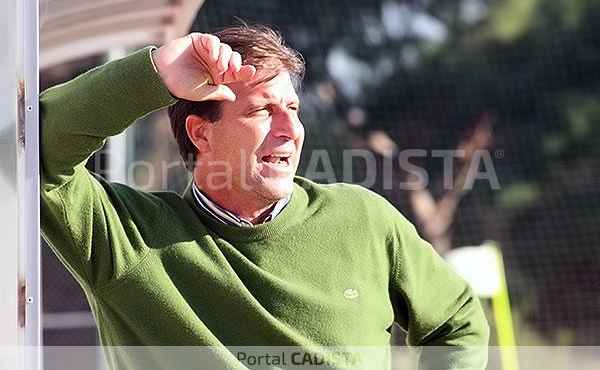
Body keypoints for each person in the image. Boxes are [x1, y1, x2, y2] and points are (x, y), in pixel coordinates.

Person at [40, 24, 489, 369]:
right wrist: (155, 72)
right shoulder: (125, 239)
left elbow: (459, 323)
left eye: (293, 109)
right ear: (201, 133)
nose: (290, 130)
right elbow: (34, 150)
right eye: (262, 111)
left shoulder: (365, 219)